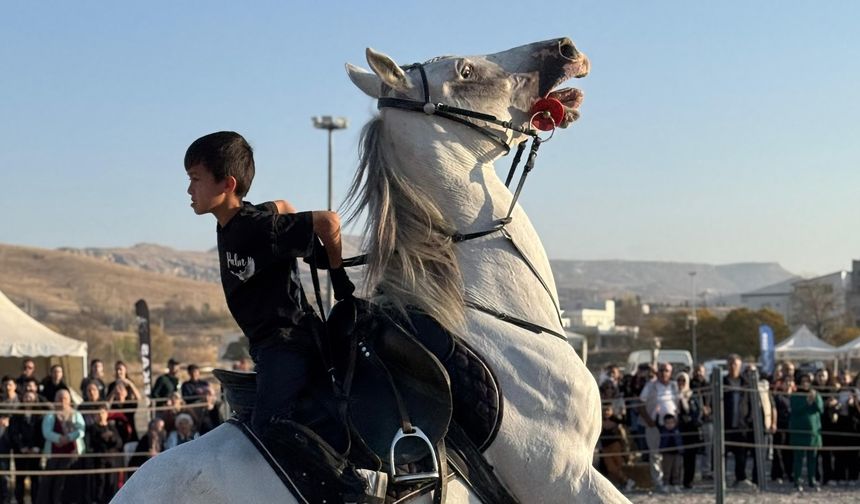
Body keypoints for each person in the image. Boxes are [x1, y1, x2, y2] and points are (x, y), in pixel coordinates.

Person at [184, 131, 353, 443]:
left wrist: (338, 276)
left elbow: (329, 222)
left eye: (196, 179)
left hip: (288, 342)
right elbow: (285, 205)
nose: (189, 189)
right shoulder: (236, 220)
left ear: (227, 184)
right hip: (268, 347)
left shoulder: (257, 227)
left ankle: (344, 486)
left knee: (266, 435)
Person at [38, 389, 85, 504]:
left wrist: (68, 438)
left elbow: (81, 430)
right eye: (59, 398)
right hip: (54, 455)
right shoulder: (50, 415)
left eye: (64, 398)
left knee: (68, 482)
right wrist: (59, 438)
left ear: (69, 400)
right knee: (51, 482)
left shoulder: (76, 414)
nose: (62, 401)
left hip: (72, 454)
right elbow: (46, 432)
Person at [638, 362, 679, 492]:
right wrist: (649, 420)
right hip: (654, 424)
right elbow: (640, 404)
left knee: (671, 454)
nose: (663, 373)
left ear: (670, 373)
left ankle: (671, 481)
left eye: (666, 370)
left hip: (671, 426)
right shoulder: (651, 385)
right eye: (661, 370)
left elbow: (677, 403)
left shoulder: (674, 386)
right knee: (655, 454)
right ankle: (658, 482)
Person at [723, 354, 755, 488]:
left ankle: (740, 478)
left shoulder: (746, 383)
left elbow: (752, 403)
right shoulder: (722, 382)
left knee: (741, 454)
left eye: (735, 364)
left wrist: (749, 419)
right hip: (725, 424)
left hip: (742, 425)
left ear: (740, 366)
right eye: (730, 364)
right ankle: (722, 479)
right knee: (722, 454)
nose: (732, 367)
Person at [9, 390, 44, 504]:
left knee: (35, 479)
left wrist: (37, 447)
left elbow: (41, 433)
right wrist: (21, 447)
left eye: (31, 398)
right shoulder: (16, 415)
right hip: (20, 452)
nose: (28, 400)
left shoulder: (39, 416)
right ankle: (20, 500)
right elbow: (13, 432)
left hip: (35, 451)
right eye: (26, 397)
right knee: (20, 479)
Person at [790, 373, 823, 492]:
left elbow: (821, 409)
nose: (805, 383)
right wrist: (807, 402)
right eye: (803, 381)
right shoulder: (795, 395)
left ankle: (812, 479)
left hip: (813, 432)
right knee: (798, 458)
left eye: (807, 381)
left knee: (813, 458)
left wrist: (815, 399)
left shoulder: (815, 394)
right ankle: (797, 480)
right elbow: (795, 410)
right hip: (799, 431)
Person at [85, 403, 124, 503]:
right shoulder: (92, 428)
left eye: (102, 413)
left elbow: (119, 443)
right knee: (100, 481)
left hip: (111, 459)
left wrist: (111, 437)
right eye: (98, 413)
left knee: (111, 481)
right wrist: (102, 437)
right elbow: (91, 443)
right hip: (99, 459)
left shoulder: (112, 427)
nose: (101, 415)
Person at [675, 371, 702, 489]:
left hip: (691, 429)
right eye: (679, 380)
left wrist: (690, 415)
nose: (681, 383)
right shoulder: (672, 394)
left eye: (683, 381)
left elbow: (698, 411)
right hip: (676, 428)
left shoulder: (693, 395)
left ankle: (688, 481)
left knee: (690, 457)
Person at [0, 376, 19, 504]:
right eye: (5, 385)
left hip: (19, 439)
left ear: (15, 386)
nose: (8, 387)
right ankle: (5, 498)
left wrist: (10, 420)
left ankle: (17, 496)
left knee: (19, 471)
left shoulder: (21, 400)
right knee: (4, 471)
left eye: (10, 384)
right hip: (3, 439)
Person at [659, 413, 684, 492]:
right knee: (667, 470)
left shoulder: (677, 431)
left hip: (677, 453)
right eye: (667, 423)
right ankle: (666, 484)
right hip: (667, 453)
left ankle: (676, 484)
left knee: (676, 470)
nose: (670, 425)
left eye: (671, 422)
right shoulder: (663, 431)